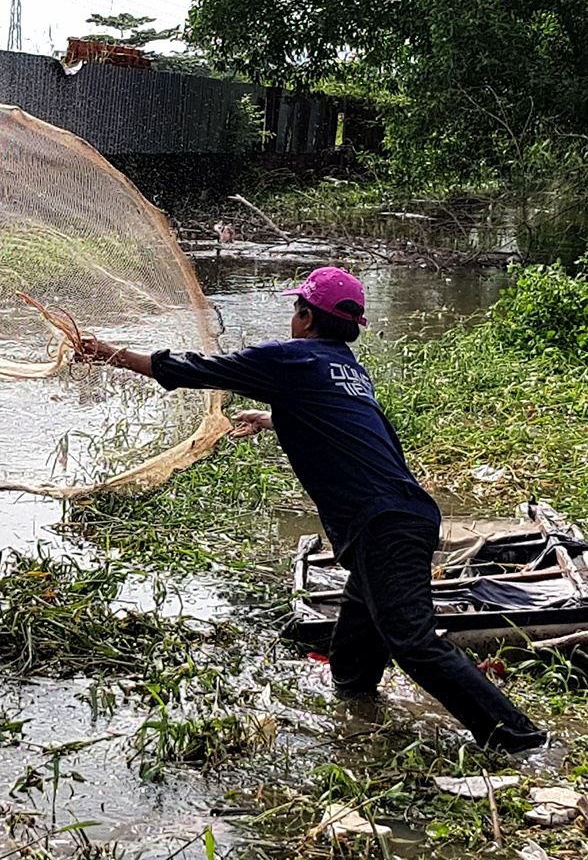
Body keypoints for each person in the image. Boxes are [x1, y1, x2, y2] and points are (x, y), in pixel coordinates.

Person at [79, 266, 546, 753]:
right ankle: (358, 709)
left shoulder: (290, 357)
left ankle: (521, 739)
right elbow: (340, 424)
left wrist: (111, 354)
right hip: (397, 517)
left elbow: (196, 370)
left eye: (296, 309)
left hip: (383, 526)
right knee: (352, 657)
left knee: (413, 643)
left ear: (306, 317)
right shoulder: (346, 369)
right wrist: (272, 416)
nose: (293, 318)